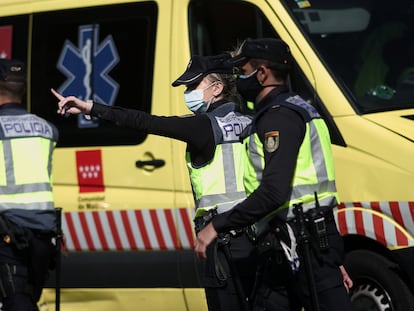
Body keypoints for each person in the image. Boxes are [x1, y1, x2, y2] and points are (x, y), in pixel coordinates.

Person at [51, 54, 259, 310]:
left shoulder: (203, 126)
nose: (188, 93)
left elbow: (146, 122)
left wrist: (91, 108)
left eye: (193, 86)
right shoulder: (253, 121)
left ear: (217, 88)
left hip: (221, 240)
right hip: (255, 238)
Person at [194, 38, 355, 311]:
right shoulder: (298, 109)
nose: (238, 77)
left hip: (302, 244)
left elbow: (273, 191)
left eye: (242, 70)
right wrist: (333, 256)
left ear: (262, 73)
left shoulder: (279, 117)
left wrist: (217, 225)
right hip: (293, 243)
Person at [0, 59, 59, 310]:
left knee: (17, 301)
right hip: (43, 233)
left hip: (7, 231)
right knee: (26, 296)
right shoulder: (47, 129)